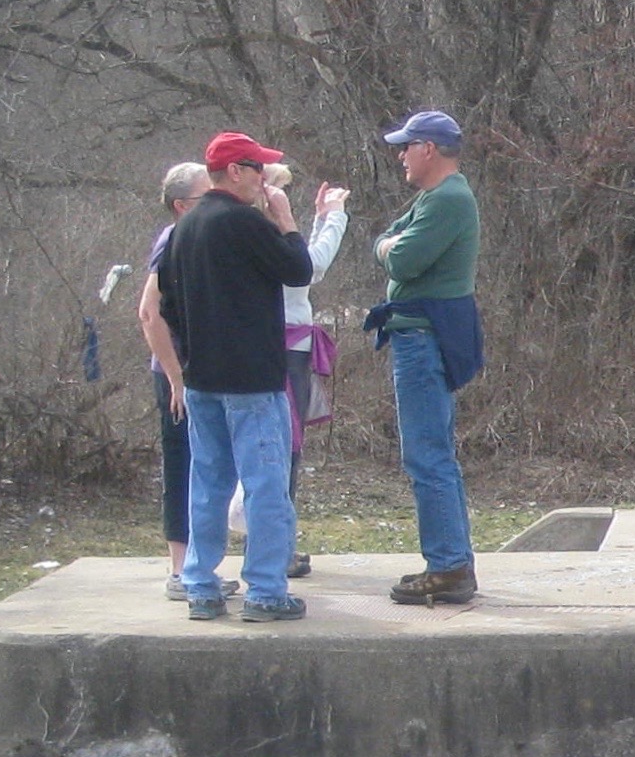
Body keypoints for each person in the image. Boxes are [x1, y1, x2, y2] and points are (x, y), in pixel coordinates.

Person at [160, 133, 314, 621]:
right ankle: (266, 591)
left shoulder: (185, 228)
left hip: (202, 378)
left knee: (207, 484)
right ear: (234, 172)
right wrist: (286, 222)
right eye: (256, 168)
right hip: (252, 381)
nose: (263, 177)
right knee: (266, 487)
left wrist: (189, 358)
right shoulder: (244, 222)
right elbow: (298, 269)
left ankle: (200, 585)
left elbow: (167, 306)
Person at [367, 109, 483, 606]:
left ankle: (448, 566)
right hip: (417, 335)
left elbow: (402, 258)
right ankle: (452, 560)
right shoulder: (432, 198)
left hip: (423, 340)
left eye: (407, 146)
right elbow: (385, 242)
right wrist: (390, 245)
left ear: (429, 149)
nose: (401, 156)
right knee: (434, 452)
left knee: (427, 455)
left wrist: (391, 247)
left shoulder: (449, 200)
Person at [262, 161, 348, 577]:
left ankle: (276, 545)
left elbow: (302, 265)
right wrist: (334, 218)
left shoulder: (252, 235)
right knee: (285, 447)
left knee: (278, 447)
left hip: (277, 345)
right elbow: (310, 268)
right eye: (280, 193)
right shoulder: (268, 236)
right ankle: (278, 548)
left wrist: (316, 220)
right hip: (285, 349)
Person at [133, 161, 210, 599]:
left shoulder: (200, 239)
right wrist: (176, 379)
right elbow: (149, 312)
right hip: (176, 375)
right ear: (182, 206)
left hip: (202, 373)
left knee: (206, 468)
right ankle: (180, 569)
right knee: (182, 464)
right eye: (206, 196)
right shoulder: (173, 240)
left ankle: (199, 565)